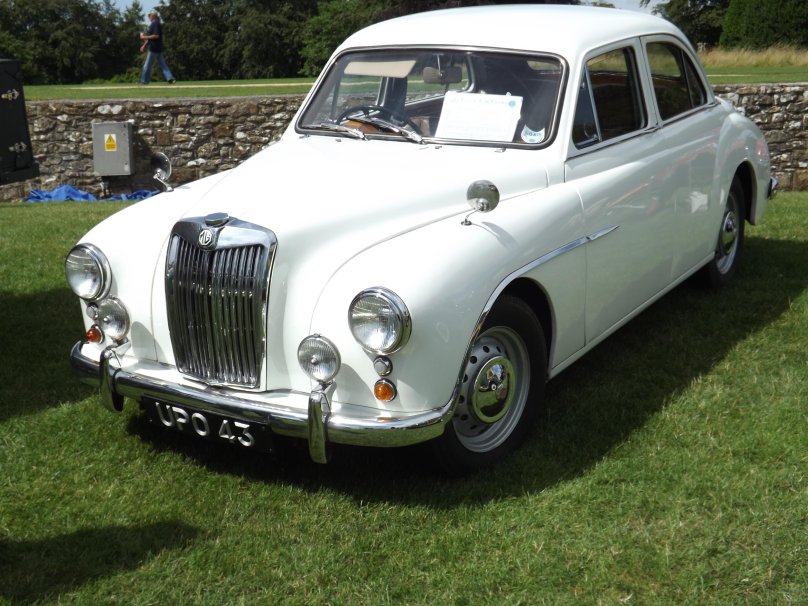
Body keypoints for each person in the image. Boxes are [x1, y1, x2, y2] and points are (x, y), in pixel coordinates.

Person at [139, 11, 176, 84]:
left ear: (153, 16)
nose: (149, 17)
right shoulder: (156, 23)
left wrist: (143, 36)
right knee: (163, 65)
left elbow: (156, 36)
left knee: (147, 66)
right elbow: (151, 38)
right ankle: (170, 79)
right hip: (159, 49)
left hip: (153, 49)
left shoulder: (155, 23)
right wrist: (144, 45)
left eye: (149, 15)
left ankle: (144, 81)